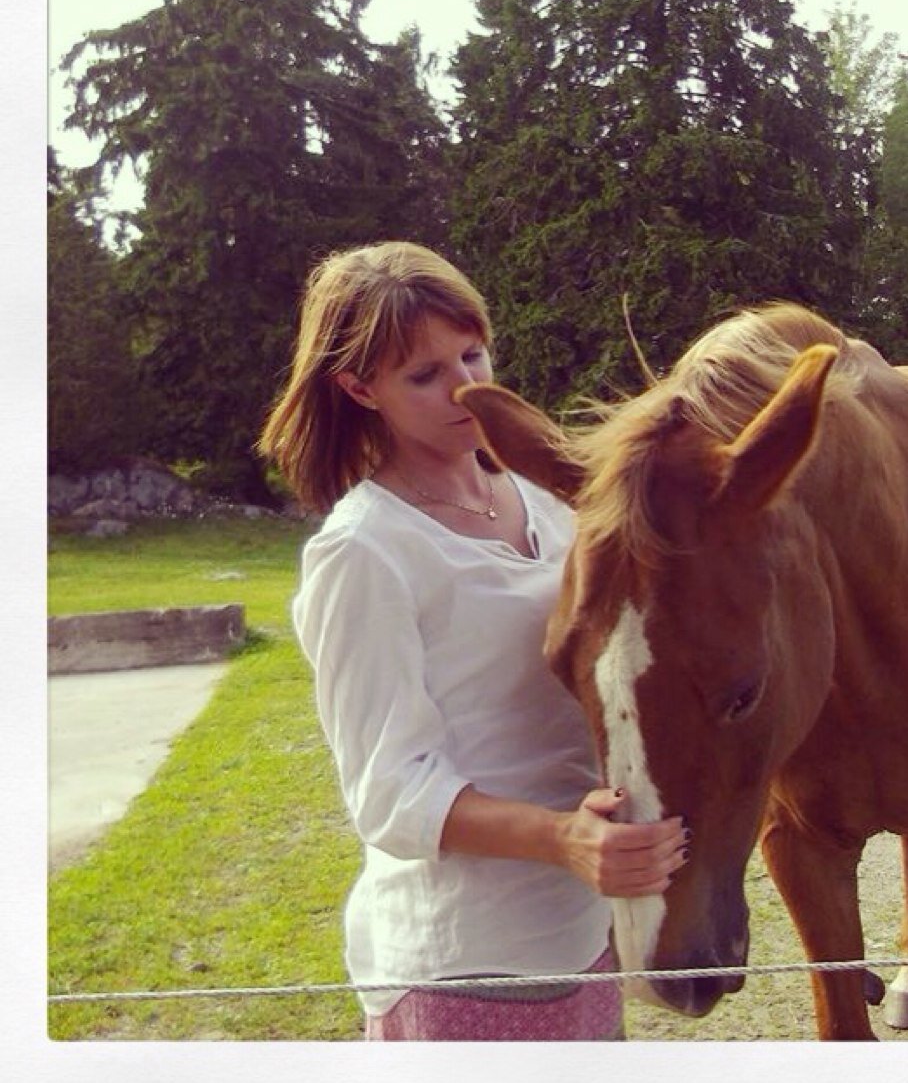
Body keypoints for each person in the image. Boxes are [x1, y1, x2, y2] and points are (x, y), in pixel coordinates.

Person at [258, 242, 689, 1041]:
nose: (467, 387)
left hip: (584, 928)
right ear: (359, 388)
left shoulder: (547, 499)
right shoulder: (364, 551)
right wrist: (564, 838)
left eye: (473, 352)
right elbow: (391, 794)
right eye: (424, 375)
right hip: (468, 957)